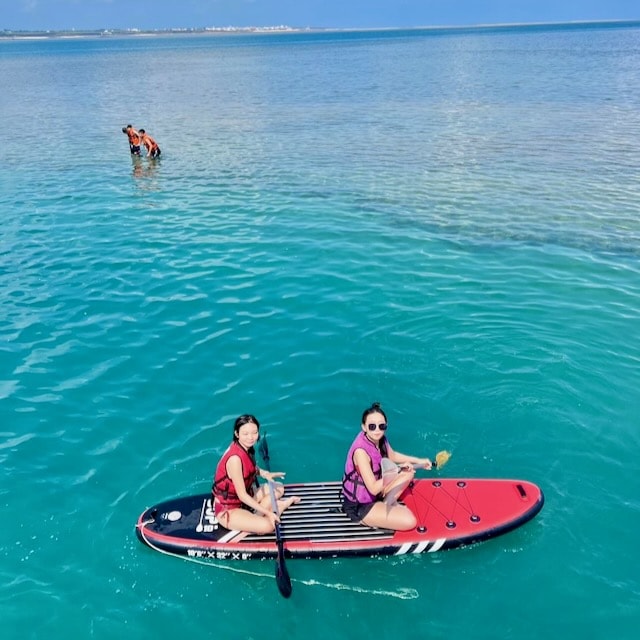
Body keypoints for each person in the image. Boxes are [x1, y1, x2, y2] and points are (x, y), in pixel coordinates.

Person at [341, 402, 432, 531]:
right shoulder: (361, 452)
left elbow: (392, 455)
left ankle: (385, 504)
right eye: (372, 426)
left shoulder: (380, 439)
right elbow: (372, 488)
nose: (377, 430)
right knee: (410, 521)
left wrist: (419, 461)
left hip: (378, 492)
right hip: (360, 505)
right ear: (364, 427)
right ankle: (382, 509)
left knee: (409, 473)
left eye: (381, 426)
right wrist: (398, 469)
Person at [212, 414, 300, 534]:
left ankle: (256, 514)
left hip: (246, 499)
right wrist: (269, 512)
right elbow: (242, 495)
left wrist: (265, 474)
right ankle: (280, 506)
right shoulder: (234, 459)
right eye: (245, 433)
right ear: (237, 434)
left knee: (279, 487)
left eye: (254, 432)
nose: (251, 437)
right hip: (229, 509)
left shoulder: (246, 448)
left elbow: (249, 467)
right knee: (268, 526)